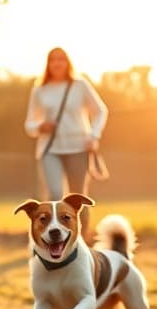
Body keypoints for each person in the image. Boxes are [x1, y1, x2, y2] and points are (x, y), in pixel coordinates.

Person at [24, 47, 108, 235]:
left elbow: (101, 111)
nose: (57, 63)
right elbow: (29, 124)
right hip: (50, 149)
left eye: (61, 59)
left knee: (78, 198)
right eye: (53, 59)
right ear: (48, 64)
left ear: (68, 62)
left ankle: (80, 239)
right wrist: (40, 126)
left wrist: (94, 135)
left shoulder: (80, 85)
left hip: (78, 147)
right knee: (54, 195)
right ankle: (52, 237)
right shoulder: (40, 90)